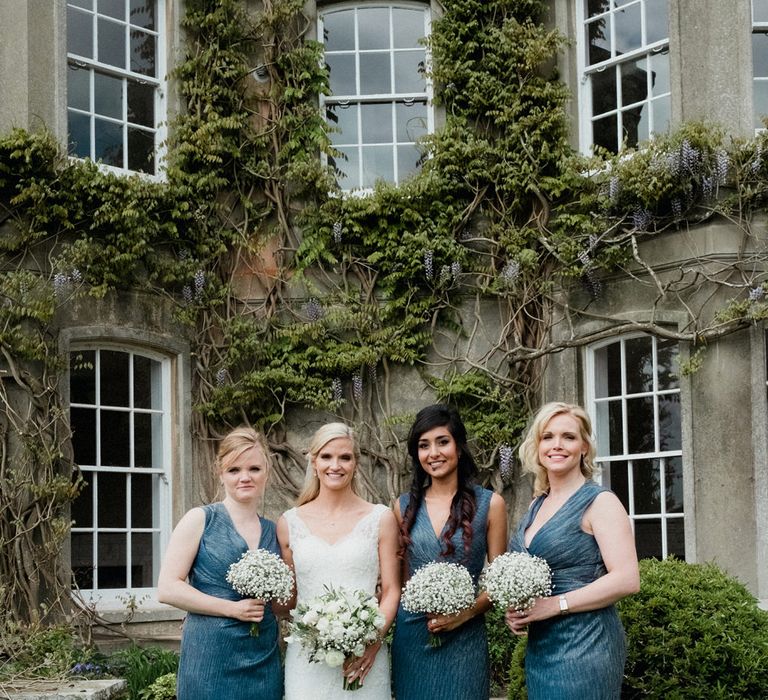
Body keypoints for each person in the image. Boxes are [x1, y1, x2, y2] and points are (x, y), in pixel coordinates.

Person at [505, 402, 640, 700]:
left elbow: (627, 579)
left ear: (584, 446)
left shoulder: (600, 502)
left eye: (568, 437)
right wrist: (519, 611)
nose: (557, 445)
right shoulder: (536, 504)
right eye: (547, 436)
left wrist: (554, 605)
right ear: (538, 446)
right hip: (542, 646)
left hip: (587, 644)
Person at [391, 404, 508, 700]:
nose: (434, 453)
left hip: (464, 638)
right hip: (413, 638)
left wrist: (464, 614)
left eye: (442, 441)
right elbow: (403, 582)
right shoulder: (402, 507)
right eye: (424, 445)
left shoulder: (490, 504)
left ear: (458, 446)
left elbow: (500, 584)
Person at [157, 426, 283, 700]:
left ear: (266, 472)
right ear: (220, 473)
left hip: (262, 652)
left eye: (254, 469)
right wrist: (231, 609)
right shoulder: (200, 519)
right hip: (210, 652)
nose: (245, 477)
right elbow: (167, 588)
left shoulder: (274, 530)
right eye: (234, 470)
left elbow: (286, 599)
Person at [277, 423, 400, 700]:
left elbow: (391, 589)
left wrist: (373, 642)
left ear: (355, 463)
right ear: (314, 462)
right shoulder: (289, 523)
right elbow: (288, 599)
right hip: (307, 662)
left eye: (345, 457)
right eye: (327, 457)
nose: (336, 465)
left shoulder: (380, 518)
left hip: (365, 656)